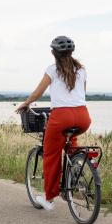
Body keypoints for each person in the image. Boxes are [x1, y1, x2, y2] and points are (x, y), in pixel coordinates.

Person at [16, 36, 91, 211]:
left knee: (51, 155)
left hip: (61, 117)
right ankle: (75, 169)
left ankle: (49, 198)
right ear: (72, 52)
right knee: (71, 143)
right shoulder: (82, 70)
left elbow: (37, 93)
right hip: (83, 116)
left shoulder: (52, 70)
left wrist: (25, 104)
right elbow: (82, 95)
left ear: (53, 53)